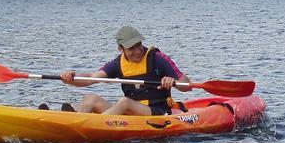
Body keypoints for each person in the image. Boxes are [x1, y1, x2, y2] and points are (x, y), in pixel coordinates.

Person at [58, 25, 191, 116]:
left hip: (157, 111)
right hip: (129, 112)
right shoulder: (118, 63)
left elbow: (186, 85)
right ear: (121, 49)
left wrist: (173, 81)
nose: (138, 51)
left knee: (124, 102)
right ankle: (69, 119)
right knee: (90, 98)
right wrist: (71, 79)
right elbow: (92, 77)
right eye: (131, 48)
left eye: (139, 45)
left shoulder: (157, 58)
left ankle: (91, 123)